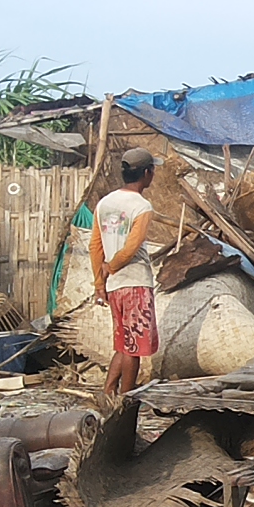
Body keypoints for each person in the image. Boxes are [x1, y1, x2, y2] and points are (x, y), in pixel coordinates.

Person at [90, 149, 160, 396]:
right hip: (135, 283)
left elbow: (95, 245)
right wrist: (114, 265)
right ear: (146, 173)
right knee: (134, 348)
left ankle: (108, 392)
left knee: (122, 344)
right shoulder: (141, 206)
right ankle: (125, 399)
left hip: (114, 286)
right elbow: (131, 247)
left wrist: (100, 281)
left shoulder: (105, 203)